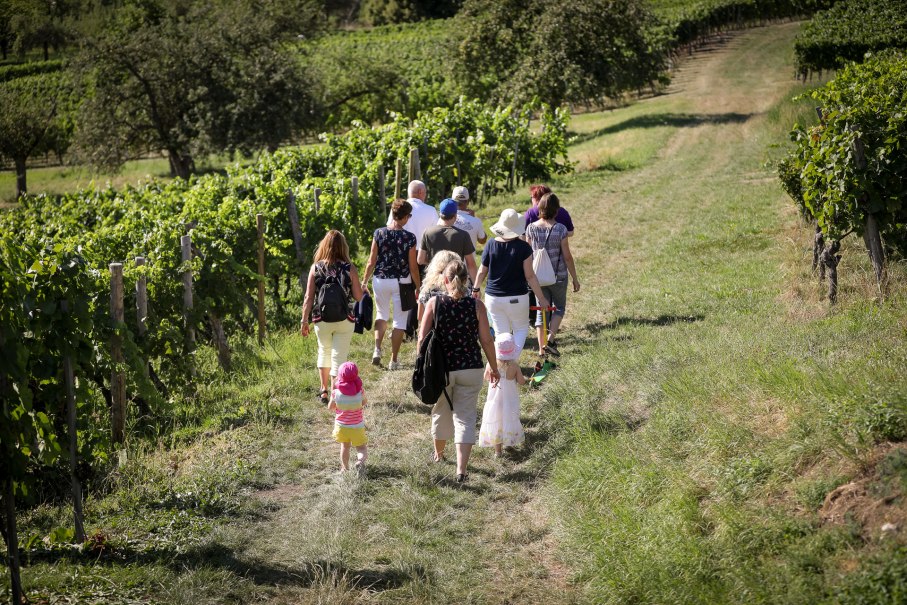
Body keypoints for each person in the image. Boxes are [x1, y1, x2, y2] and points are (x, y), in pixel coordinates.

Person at [418, 259, 498, 483]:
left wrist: (420, 365)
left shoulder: (435, 303)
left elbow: (422, 338)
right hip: (471, 367)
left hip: (442, 369)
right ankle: (461, 470)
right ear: (466, 280)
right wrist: (493, 365)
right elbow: (486, 340)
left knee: (441, 410)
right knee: (465, 416)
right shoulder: (476, 306)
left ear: (444, 280)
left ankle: (439, 454)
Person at [473, 208, 549, 360]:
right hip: (517, 297)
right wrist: (541, 298)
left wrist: (476, 288)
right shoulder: (524, 248)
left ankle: (501, 363)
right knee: (520, 329)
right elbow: (530, 276)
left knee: (501, 333)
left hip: (493, 297)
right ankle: (510, 361)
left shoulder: (490, 244)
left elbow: (482, 270)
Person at [300, 230, 364, 404]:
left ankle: (324, 390)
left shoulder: (316, 268)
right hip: (345, 319)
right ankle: (336, 395)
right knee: (338, 355)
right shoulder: (349, 268)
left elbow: (308, 297)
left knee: (324, 351)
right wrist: (361, 288)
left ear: (324, 246)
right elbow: (358, 297)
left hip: (321, 319)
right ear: (343, 247)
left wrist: (304, 320)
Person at [361, 199, 421, 370]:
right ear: (404, 217)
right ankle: (393, 360)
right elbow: (413, 266)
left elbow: (371, 261)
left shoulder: (379, 233)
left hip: (380, 279)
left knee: (381, 314)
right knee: (400, 322)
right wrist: (418, 286)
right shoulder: (409, 237)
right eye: (409, 215)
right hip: (401, 281)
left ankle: (377, 349)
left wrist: (365, 281)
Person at [525, 192, 580, 356]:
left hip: (537, 278)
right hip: (558, 276)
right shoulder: (561, 229)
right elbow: (567, 257)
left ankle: (542, 350)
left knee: (542, 312)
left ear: (539, 209)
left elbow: (527, 254)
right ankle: (550, 340)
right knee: (559, 308)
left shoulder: (531, 228)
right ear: (556, 210)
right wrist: (575, 278)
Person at [478, 332, 526, 457]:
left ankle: (497, 451)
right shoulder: (514, 366)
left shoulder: (491, 364)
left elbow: (485, 378)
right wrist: (525, 379)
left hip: (494, 400)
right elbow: (521, 382)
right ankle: (509, 443)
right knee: (508, 419)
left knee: (496, 421)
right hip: (509, 400)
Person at [418, 198, 478, 285]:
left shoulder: (427, 232)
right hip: (455, 282)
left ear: (440, 214)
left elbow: (420, 260)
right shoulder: (463, 235)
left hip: (435, 280)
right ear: (455, 216)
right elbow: (471, 265)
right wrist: (476, 287)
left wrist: (435, 263)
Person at [328, 362, 368, 476]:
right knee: (361, 448)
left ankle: (345, 468)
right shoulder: (360, 392)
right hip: (357, 426)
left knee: (345, 447)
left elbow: (330, 407)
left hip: (341, 426)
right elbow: (364, 402)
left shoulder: (336, 393)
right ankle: (360, 461)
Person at [388, 179, 438, 256]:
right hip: (422, 255)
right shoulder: (431, 210)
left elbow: (389, 229)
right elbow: (436, 235)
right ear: (420, 192)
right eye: (425, 192)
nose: (425, 195)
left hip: (399, 252)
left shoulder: (397, 207)